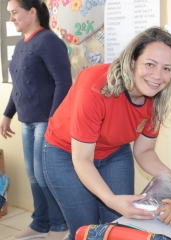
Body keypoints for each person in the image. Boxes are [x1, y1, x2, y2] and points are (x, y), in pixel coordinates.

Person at [43, 27, 171, 240]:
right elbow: (82, 159)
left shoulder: (157, 99)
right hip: (66, 154)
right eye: (150, 64)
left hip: (113, 152)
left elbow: (144, 151)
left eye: (166, 68)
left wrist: (169, 178)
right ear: (133, 61)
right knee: (85, 228)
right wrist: (109, 198)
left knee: (117, 226)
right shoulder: (95, 86)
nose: (158, 76)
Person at [1, 0, 72, 239]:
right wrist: (7, 114)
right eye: (9, 13)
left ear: (32, 12)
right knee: (33, 174)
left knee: (44, 175)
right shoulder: (21, 45)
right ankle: (40, 223)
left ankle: (59, 225)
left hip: (46, 121)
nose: (11, 18)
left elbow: (64, 83)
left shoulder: (49, 42)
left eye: (15, 12)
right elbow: (18, 84)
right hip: (27, 120)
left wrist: (54, 119)